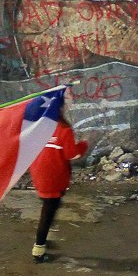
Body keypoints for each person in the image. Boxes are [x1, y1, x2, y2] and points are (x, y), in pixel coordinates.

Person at [29, 112, 88, 263]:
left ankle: (44, 238)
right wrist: (83, 145)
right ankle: (39, 249)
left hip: (39, 174)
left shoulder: (37, 127)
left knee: (49, 207)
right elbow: (71, 155)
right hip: (53, 177)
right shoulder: (63, 129)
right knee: (48, 212)